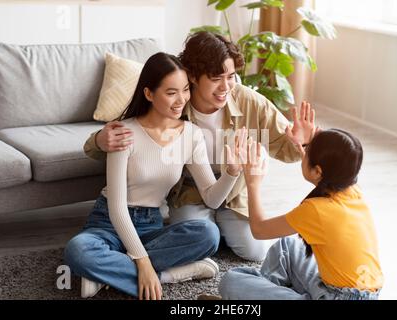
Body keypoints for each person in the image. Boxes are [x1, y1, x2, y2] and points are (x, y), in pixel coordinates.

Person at [84, 31, 317, 262]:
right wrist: (99, 140)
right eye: (216, 78)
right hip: (190, 192)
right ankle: (213, 233)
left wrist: (303, 142)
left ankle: (223, 229)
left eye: (231, 76)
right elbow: (130, 126)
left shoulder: (249, 102)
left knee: (255, 251)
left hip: (234, 191)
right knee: (202, 239)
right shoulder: (175, 103)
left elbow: (287, 150)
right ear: (193, 77)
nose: (226, 86)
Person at [64, 52, 248, 300]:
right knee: (78, 251)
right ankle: (168, 275)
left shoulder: (191, 135)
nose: (181, 100)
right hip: (108, 221)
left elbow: (212, 199)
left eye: (185, 90)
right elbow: (118, 209)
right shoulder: (124, 132)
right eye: (171, 92)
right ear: (149, 94)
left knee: (208, 234)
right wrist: (144, 265)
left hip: (151, 224)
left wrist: (232, 173)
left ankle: (105, 274)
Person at [218, 128, 384, 300]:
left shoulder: (316, 210)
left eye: (307, 152)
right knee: (286, 247)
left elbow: (259, 230)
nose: (303, 155)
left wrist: (253, 182)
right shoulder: (352, 189)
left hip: (337, 296)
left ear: (318, 171)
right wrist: (307, 143)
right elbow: (331, 165)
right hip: (355, 293)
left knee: (231, 281)